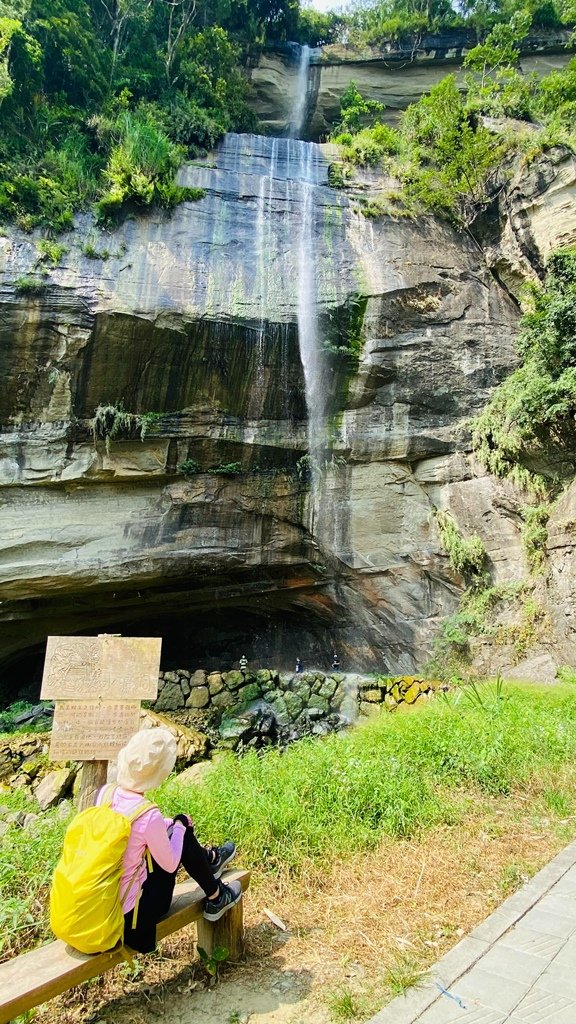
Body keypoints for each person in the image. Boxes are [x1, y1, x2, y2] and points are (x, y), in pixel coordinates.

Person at [98, 727, 241, 954]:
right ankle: (215, 893)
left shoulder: (106, 794)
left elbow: (133, 829)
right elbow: (171, 863)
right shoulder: (147, 815)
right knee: (180, 832)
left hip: (104, 903)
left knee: (175, 829)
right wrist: (180, 826)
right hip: (133, 917)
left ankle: (210, 863)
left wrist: (171, 826)